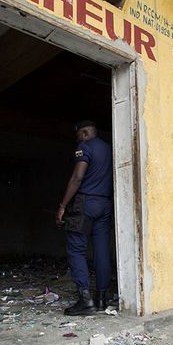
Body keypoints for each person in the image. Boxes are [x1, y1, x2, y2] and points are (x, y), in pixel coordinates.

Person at [56, 120, 113, 316]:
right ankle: (101, 299)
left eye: (79, 134)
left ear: (85, 133)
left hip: (85, 203)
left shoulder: (85, 147)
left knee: (76, 247)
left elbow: (77, 177)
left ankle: (85, 299)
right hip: (105, 204)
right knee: (102, 250)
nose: (77, 139)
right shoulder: (109, 149)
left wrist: (62, 205)